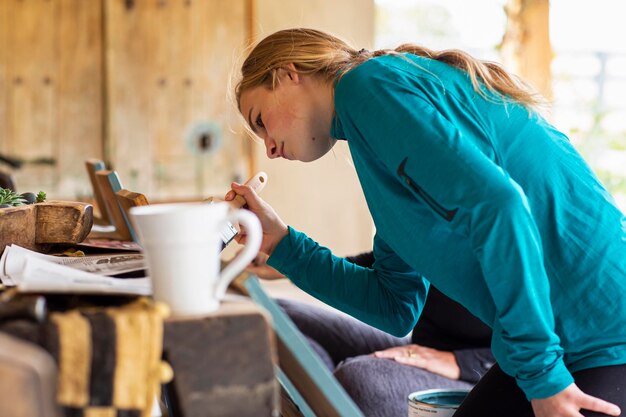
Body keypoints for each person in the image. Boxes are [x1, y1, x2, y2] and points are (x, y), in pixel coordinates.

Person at [227, 28, 626, 417]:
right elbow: (395, 305)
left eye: (260, 120)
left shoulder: (366, 86)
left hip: (604, 330)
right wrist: (282, 244)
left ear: (287, 75)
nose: (271, 150)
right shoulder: (372, 137)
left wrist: (544, 378)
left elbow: (499, 206)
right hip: (554, 343)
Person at [251, 251, 494, 417]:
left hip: (487, 374)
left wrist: (460, 362)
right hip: (426, 348)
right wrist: (289, 259)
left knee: (360, 379)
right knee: (280, 314)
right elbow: (389, 265)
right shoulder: (428, 201)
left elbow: (532, 337)